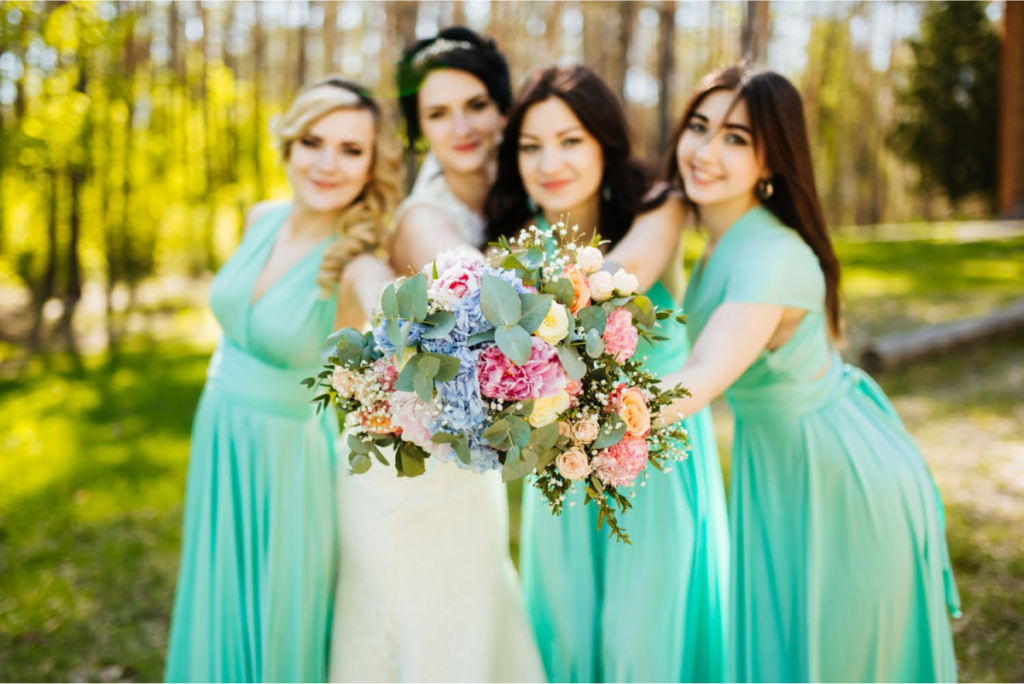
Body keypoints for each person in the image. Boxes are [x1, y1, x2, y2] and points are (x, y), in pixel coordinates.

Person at [657, 64, 960, 683]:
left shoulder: (772, 255)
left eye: (736, 138)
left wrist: (582, 414)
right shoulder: (719, 238)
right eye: (699, 126)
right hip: (780, 465)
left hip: (836, 477)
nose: (707, 150)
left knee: (841, 660)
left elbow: (706, 372)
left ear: (772, 162)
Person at [484, 64, 730, 684]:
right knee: (564, 627)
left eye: (570, 141)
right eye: (531, 147)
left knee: (641, 640)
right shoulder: (519, 243)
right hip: (563, 462)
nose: (549, 163)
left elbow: (612, 284)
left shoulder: (659, 208)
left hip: (656, 457)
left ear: (603, 143)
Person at [164, 78, 403, 683]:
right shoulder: (261, 217)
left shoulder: (359, 259)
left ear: (373, 164)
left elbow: (388, 304)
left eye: (351, 150)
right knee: (218, 591)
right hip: (220, 433)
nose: (327, 164)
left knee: (278, 616)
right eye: (312, 142)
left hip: (289, 460)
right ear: (288, 146)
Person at [327, 28, 547, 684]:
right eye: (438, 113)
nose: (463, 127)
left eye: (476, 104)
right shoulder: (423, 214)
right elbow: (468, 281)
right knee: (411, 634)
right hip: (401, 471)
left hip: (466, 459)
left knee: (470, 631)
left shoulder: (526, 201)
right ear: (419, 129)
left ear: (504, 109)